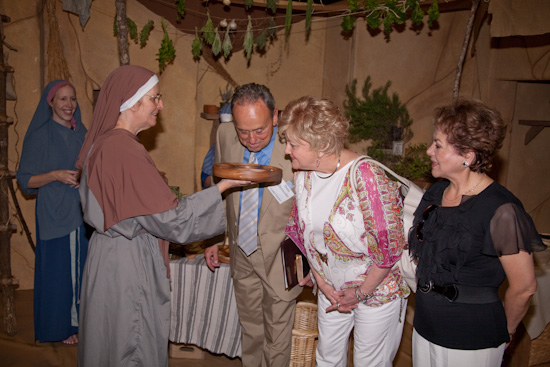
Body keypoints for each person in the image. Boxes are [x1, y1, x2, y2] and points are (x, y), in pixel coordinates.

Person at [74, 65, 247, 367]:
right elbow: (172, 220)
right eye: (154, 98)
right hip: (127, 265)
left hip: (107, 258)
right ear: (131, 102)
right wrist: (221, 189)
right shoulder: (124, 150)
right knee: (132, 345)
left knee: (110, 344)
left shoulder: (104, 143)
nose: (161, 105)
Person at [409, 98, 544, 366]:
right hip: (425, 327)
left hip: (472, 338)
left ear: (467, 156)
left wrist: (507, 330)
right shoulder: (435, 193)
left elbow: (524, 287)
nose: (428, 151)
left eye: (438, 145)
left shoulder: (502, 210)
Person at [280, 96, 410, 366]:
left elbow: (389, 248)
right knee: (327, 359)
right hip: (331, 289)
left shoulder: (366, 176)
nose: (287, 151)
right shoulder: (303, 173)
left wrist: (361, 292)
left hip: (377, 291)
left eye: (294, 144)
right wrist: (323, 282)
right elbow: (303, 234)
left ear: (322, 146)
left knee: (368, 363)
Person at [204, 83, 302, 367]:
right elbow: (221, 191)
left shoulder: (295, 144)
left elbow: (310, 210)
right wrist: (214, 236)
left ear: (275, 117)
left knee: (277, 336)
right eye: (243, 130)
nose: (251, 139)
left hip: (283, 255)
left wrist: (308, 264)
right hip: (241, 251)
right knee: (251, 330)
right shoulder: (225, 135)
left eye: (259, 130)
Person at [17, 80, 90, 345]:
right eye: (62, 99)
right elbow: (25, 179)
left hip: (82, 212)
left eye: (72, 99)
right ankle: (64, 327)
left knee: (81, 270)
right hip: (55, 213)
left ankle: (81, 323)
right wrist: (55, 175)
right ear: (50, 102)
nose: (69, 105)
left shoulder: (81, 133)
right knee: (60, 272)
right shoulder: (40, 135)